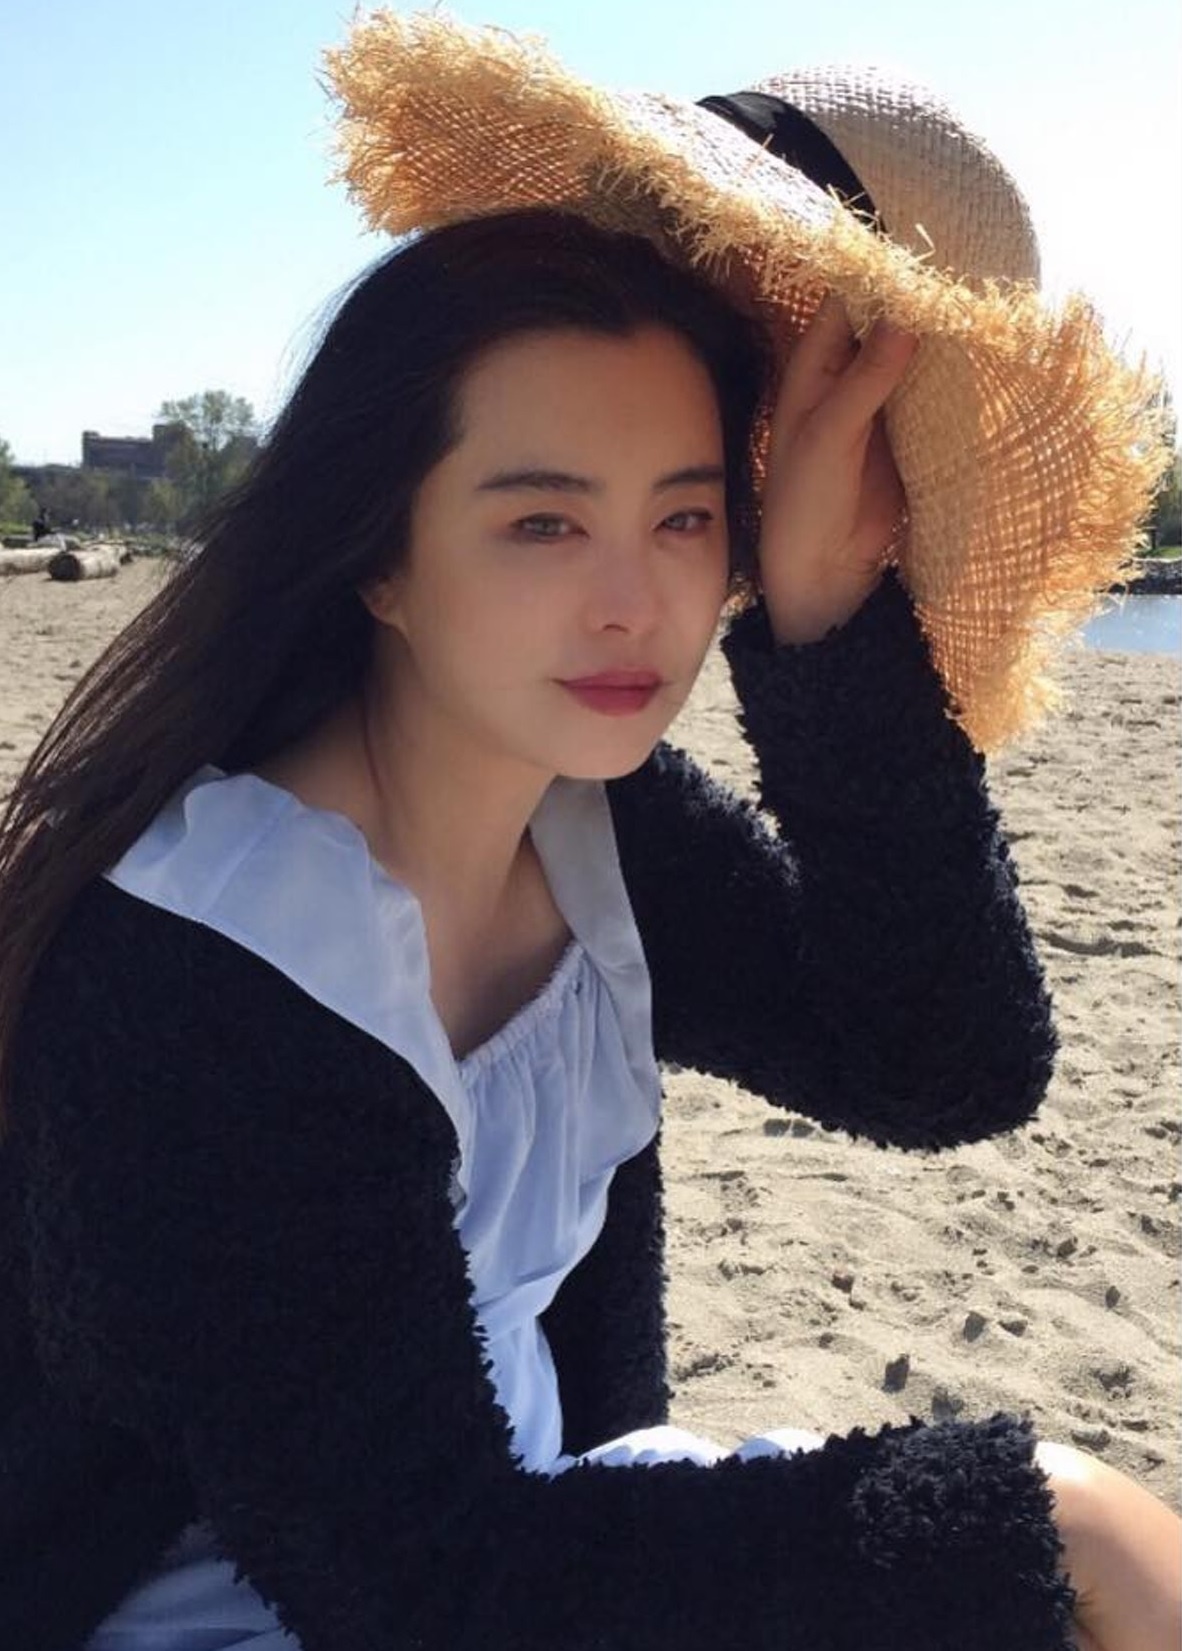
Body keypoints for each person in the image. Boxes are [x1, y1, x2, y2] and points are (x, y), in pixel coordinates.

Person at [0, 19, 1176, 1651]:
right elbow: (422, 1585)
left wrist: (825, 622)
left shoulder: (592, 828)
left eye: (686, 517)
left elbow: (944, 1064)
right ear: (381, 556)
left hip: (521, 1548)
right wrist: (1042, 1516)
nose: (634, 604)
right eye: (542, 521)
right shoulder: (205, 968)